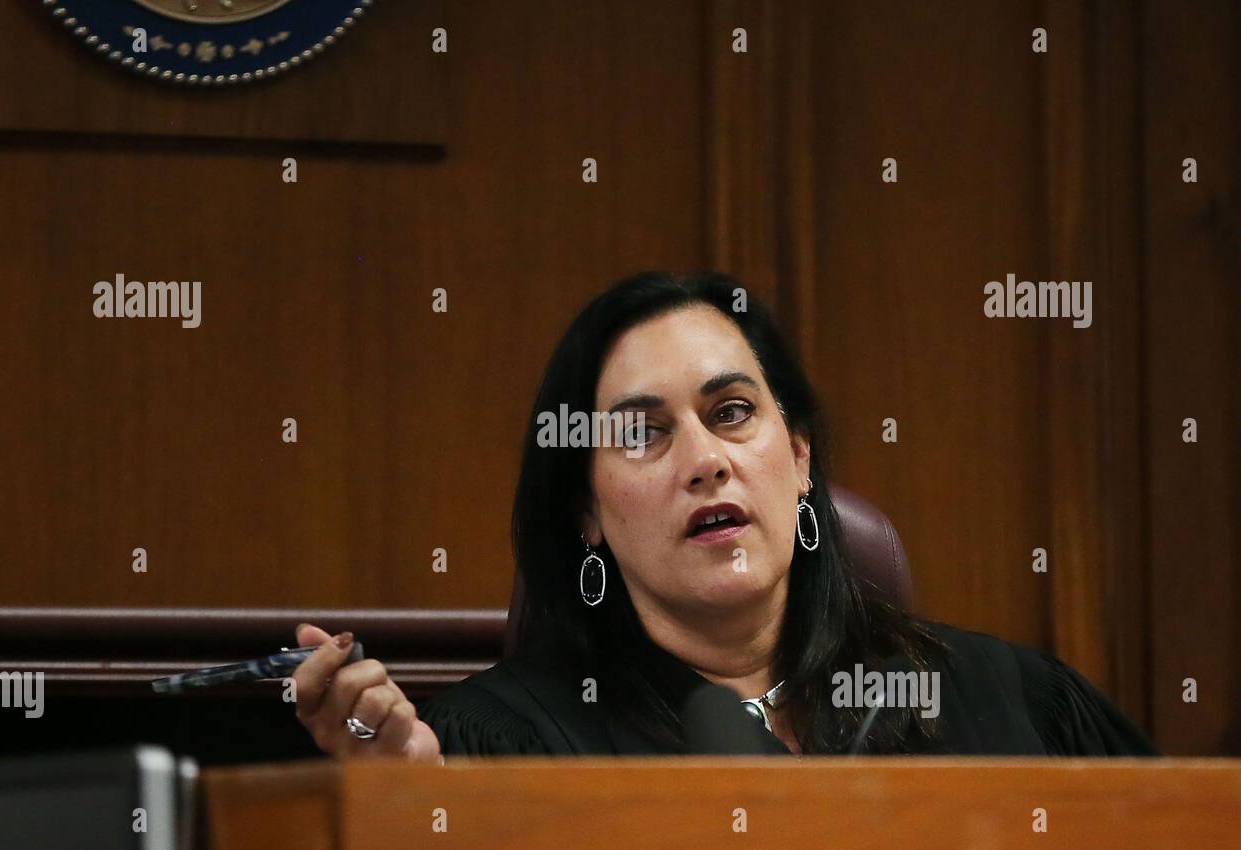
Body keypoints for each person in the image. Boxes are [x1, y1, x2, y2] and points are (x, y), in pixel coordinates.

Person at [292, 271, 1158, 760]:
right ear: (585, 513)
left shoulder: (1013, 704)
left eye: (734, 411)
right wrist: (416, 828)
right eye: (644, 432)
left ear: (802, 456)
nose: (706, 459)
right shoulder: (502, 747)